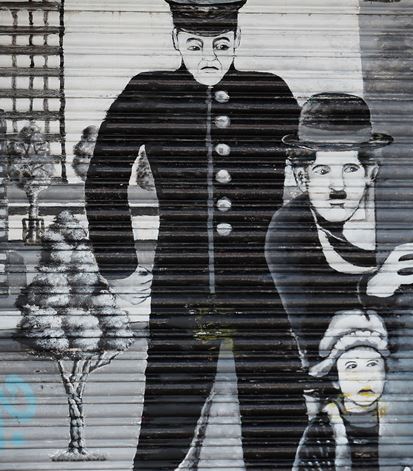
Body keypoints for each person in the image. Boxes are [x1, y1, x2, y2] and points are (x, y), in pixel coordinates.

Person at [83, 1, 306, 468]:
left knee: (277, 418)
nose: (209, 57)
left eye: (221, 45)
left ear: (237, 40)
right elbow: (104, 178)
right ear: (176, 41)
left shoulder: (269, 91)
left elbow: (312, 173)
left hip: (262, 288)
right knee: (167, 421)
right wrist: (120, 267)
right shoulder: (148, 91)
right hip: (185, 286)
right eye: (196, 45)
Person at [266, 93, 413, 370]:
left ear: (370, 172)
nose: (337, 187)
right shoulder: (288, 229)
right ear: (302, 176)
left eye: (350, 169)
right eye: (322, 170)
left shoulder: (399, 217)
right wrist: (369, 288)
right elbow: (308, 323)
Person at [294, 309, 389, 469]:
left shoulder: (401, 420)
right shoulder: (323, 428)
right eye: (351, 366)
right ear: (336, 380)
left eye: (372, 364)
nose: (364, 377)